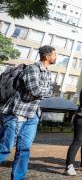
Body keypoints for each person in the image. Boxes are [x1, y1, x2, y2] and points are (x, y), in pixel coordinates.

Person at [0, 45, 56, 180]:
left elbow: (48, 91)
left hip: (32, 115)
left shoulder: (48, 73)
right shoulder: (32, 69)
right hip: (16, 114)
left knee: (24, 150)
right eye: (54, 55)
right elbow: (35, 91)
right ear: (47, 56)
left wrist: (44, 91)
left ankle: (18, 177)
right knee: (5, 148)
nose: (56, 57)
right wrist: (45, 91)